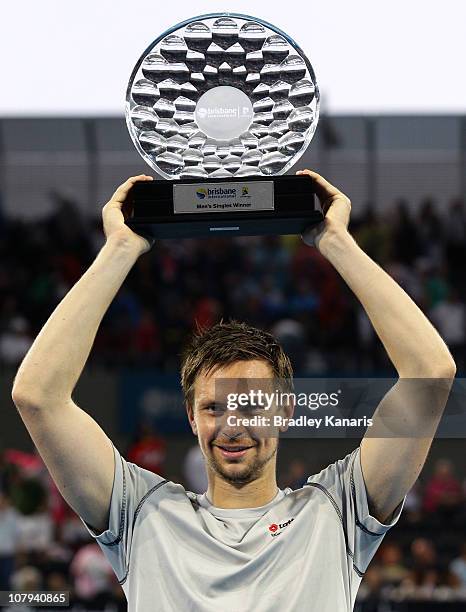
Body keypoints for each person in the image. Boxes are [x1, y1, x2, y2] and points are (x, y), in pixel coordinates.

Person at [11, 171, 456, 611]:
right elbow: (38, 397)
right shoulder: (139, 513)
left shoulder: (340, 511)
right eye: (213, 407)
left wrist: (335, 241)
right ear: (191, 416)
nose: (232, 424)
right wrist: (119, 251)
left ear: (285, 410)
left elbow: (431, 373)